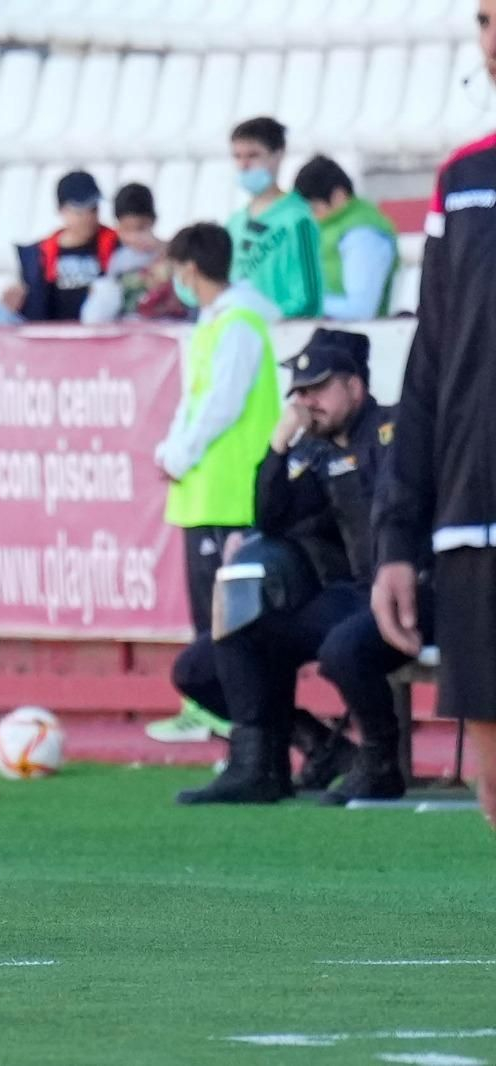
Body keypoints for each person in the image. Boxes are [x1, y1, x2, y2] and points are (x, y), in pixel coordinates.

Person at [173, 329, 397, 804]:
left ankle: (377, 763)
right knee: (216, 653)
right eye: (298, 391)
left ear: (354, 387)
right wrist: (278, 447)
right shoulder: (309, 450)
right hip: (339, 594)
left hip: (395, 589)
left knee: (338, 646)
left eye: (316, 388)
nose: (304, 400)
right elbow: (271, 516)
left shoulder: (391, 434)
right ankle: (268, 764)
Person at [373, 0, 496, 833]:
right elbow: (429, 370)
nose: (492, 39)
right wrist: (396, 539)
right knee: (493, 782)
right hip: (474, 527)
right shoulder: (465, 181)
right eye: (484, 19)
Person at [148, 222, 281, 744]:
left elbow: (220, 405)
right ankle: (211, 709)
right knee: (207, 621)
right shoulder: (216, 324)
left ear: (190, 269)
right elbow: (198, 401)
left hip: (229, 494)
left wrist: (179, 455)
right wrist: (174, 453)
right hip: (204, 493)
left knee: (225, 624)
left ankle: (237, 725)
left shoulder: (240, 325)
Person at [226, 117, 323, 320]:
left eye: (253, 155)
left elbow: (308, 297)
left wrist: (266, 317)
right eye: (237, 156)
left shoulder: (298, 219)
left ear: (278, 155)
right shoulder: (234, 223)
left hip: (285, 337)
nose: (244, 165)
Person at [2, 170, 119, 322]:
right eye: (79, 211)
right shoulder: (38, 256)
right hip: (56, 341)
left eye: (93, 209)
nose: (88, 217)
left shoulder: (117, 245)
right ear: (61, 210)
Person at [293, 155, 398, 321]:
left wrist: (299, 303)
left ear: (338, 196)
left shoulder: (363, 235)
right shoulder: (327, 227)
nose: (311, 216)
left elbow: (360, 309)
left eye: (314, 208)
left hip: (349, 340)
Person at [81, 183, 184, 324]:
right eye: (126, 230)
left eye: (140, 229)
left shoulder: (173, 253)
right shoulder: (118, 260)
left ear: (153, 221)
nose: (134, 237)